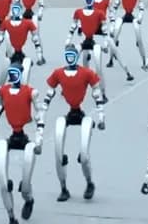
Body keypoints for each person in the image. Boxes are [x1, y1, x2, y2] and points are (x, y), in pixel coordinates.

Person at [45, 45, 107, 202]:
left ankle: (89, 183)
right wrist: (41, 115)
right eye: (68, 55)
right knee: (58, 154)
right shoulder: (58, 73)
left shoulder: (86, 73)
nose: (70, 58)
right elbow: (48, 95)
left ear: (76, 56)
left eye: (73, 55)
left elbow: (97, 95)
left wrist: (101, 117)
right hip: (68, 115)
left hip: (82, 115)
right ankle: (63, 187)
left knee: (84, 156)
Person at [0, 64, 46, 224]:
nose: (13, 77)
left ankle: (29, 198)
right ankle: (11, 216)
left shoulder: (30, 92)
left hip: (26, 137)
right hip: (11, 136)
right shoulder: (3, 91)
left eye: (15, 73)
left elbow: (40, 117)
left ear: (21, 74)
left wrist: (39, 140)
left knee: (25, 183)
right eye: (10, 74)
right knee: (3, 182)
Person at [0, 4, 47, 84]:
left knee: (19, 63)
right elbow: (0, 37)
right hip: (13, 48)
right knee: (12, 61)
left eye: (17, 10)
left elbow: (35, 38)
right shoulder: (6, 22)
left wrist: (39, 56)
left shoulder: (27, 23)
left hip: (19, 46)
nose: (16, 12)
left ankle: (18, 76)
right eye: (14, 9)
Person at [114, 0, 148, 69]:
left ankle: (144, 60)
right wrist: (113, 15)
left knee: (138, 36)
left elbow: (141, 4)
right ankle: (111, 57)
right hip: (124, 15)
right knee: (115, 32)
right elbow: (116, 3)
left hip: (132, 16)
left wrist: (140, 16)